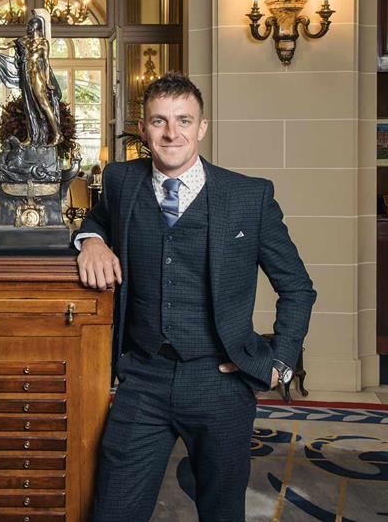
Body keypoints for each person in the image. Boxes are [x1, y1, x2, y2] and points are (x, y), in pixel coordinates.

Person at [74, 72, 316, 521]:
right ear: (143, 129)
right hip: (142, 376)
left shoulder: (248, 197)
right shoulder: (121, 181)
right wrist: (91, 239)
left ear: (202, 127)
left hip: (219, 380)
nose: (172, 133)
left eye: (184, 121)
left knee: (222, 511)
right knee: (113, 509)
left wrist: (278, 363)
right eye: (160, 121)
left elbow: (298, 287)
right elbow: (97, 218)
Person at [0, 13, 62, 147]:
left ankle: (58, 134)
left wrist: (48, 82)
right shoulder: (23, 41)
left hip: (37, 76)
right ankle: (32, 136)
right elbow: (5, 46)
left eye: (30, 25)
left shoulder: (43, 43)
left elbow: (46, 63)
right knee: (28, 107)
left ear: (36, 26)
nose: (28, 28)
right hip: (26, 76)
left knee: (43, 104)